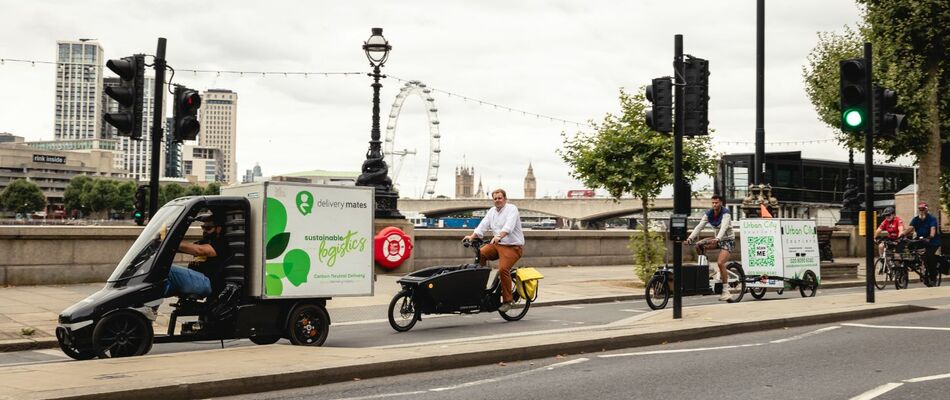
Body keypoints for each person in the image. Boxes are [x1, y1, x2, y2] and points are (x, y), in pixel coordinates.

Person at [463, 189, 525, 312]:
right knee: (481, 254)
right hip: (497, 245)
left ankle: (508, 300)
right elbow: (483, 225)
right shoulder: (492, 211)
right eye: (495, 198)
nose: (497, 200)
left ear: (505, 199)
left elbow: (509, 227)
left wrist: (499, 236)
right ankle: (480, 287)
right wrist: (472, 236)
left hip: (512, 247)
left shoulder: (512, 209)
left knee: (503, 270)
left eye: (500, 198)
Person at [165, 212, 232, 299]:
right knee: (160, 282)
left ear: (218, 229)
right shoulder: (203, 242)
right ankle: (148, 307)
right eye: (203, 227)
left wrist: (169, 241)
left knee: (168, 270)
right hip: (196, 280)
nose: (204, 231)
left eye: (208, 228)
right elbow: (188, 248)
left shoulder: (222, 242)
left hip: (207, 282)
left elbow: (200, 250)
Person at [686, 195, 735, 301]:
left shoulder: (725, 213)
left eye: (716, 203)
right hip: (717, 239)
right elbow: (699, 226)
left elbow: (724, 227)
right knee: (698, 245)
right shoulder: (709, 214)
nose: (714, 205)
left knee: (720, 263)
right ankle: (710, 269)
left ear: (720, 203)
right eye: (712, 203)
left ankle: (726, 291)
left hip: (727, 240)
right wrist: (690, 238)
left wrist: (718, 238)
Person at [901, 202, 941, 283]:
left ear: (926, 210)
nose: (921, 211)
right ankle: (915, 262)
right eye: (920, 209)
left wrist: (930, 237)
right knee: (909, 245)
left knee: (929, 256)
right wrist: (902, 235)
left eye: (923, 209)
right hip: (920, 239)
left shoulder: (932, 219)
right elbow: (910, 228)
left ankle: (933, 277)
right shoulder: (916, 219)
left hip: (932, 241)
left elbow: (933, 230)